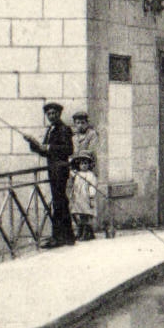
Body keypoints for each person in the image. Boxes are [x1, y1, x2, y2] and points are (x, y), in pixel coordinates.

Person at [25, 102, 75, 247]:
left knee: (59, 203)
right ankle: (66, 236)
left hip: (60, 170)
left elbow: (68, 149)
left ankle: (59, 237)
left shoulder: (64, 129)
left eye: (54, 113)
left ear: (59, 114)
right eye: (49, 114)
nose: (51, 116)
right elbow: (43, 150)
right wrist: (33, 143)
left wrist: (49, 147)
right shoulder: (51, 130)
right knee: (59, 202)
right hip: (53, 170)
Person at [68, 153, 98, 241]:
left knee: (86, 215)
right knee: (79, 214)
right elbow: (71, 173)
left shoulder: (90, 175)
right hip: (78, 197)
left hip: (86, 197)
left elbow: (92, 186)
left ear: (89, 165)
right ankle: (81, 231)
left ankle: (86, 233)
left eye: (86, 163)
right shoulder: (77, 174)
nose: (84, 165)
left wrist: (91, 196)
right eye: (81, 164)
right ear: (79, 165)